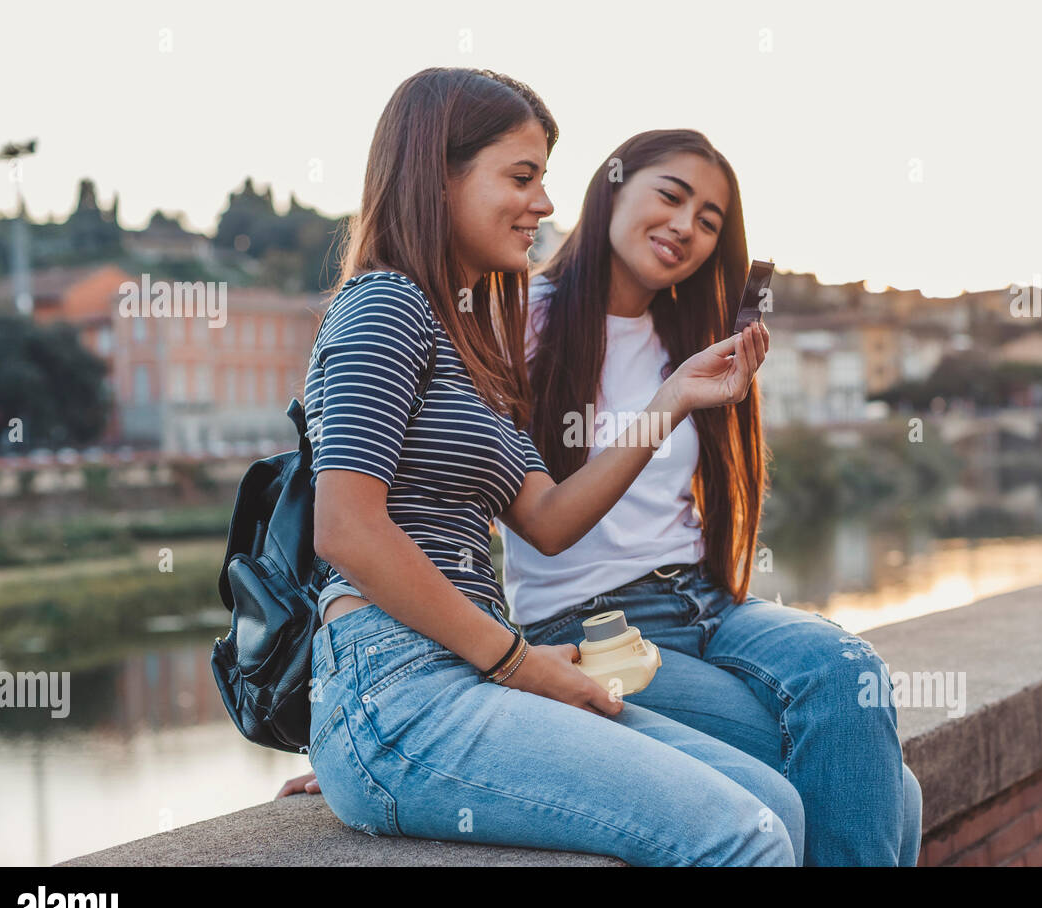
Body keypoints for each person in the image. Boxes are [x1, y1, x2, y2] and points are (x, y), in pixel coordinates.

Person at [292, 68, 798, 866]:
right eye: (521, 177)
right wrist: (516, 662)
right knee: (745, 836)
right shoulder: (384, 304)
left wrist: (674, 396)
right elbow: (346, 528)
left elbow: (549, 520)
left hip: (462, 673)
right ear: (438, 172)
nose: (545, 205)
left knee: (775, 805)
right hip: (400, 682)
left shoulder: (468, 345)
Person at [500, 129, 923, 866]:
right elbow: (459, 510)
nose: (685, 228)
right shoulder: (520, 318)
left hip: (707, 604)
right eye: (670, 196)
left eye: (709, 221)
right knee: (892, 790)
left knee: (850, 672)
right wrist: (414, 709)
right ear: (612, 188)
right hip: (590, 625)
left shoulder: (689, 333)